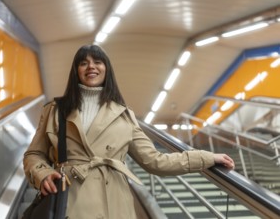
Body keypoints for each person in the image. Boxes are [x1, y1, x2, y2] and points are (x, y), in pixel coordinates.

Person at [23, 44, 235, 219]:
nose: (91, 67)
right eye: (83, 63)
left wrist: (206, 157)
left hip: (115, 205)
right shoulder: (55, 110)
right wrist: (41, 174)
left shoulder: (124, 115)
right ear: (76, 70)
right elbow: (34, 154)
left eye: (98, 62)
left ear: (107, 69)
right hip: (69, 201)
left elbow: (155, 161)